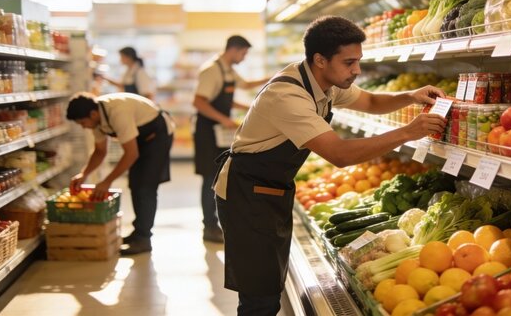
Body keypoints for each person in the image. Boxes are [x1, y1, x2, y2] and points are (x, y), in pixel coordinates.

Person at [212, 16, 447, 315]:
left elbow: (372, 102)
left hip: (270, 191)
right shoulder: (287, 95)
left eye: (358, 61)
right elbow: (340, 154)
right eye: (349, 62)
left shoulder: (325, 82)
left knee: (269, 283)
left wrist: (410, 96)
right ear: (320, 60)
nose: (357, 70)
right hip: (247, 196)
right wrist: (407, 132)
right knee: (260, 296)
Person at [67, 92, 175, 255]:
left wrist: (107, 182)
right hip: (139, 140)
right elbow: (99, 151)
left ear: (93, 114)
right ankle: (138, 232)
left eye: (83, 122)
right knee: (135, 184)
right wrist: (84, 174)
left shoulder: (117, 111)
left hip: (157, 135)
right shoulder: (97, 120)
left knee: (146, 187)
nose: (83, 126)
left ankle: (144, 239)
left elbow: (131, 154)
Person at [193, 35, 268, 243]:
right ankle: (209, 226)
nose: (244, 58)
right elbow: (199, 102)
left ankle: (216, 223)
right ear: (234, 49)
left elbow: (242, 87)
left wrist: (272, 79)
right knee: (210, 178)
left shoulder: (227, 70)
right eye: (243, 53)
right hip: (208, 132)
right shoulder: (211, 70)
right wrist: (224, 119)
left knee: (218, 177)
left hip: (219, 133)